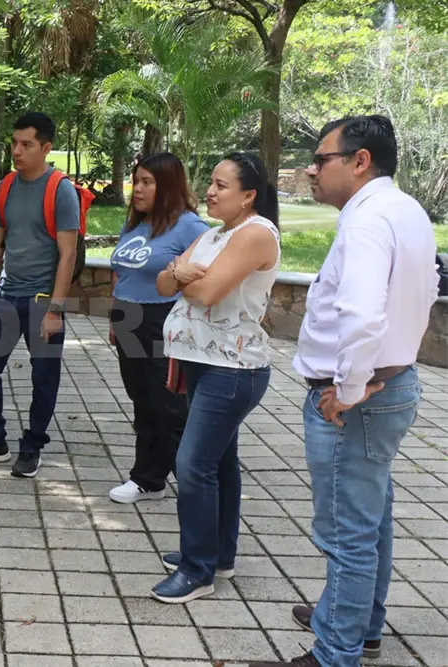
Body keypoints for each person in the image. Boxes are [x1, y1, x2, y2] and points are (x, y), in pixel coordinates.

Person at [248, 118, 438, 667]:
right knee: (371, 515)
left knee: (348, 534)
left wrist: (347, 388)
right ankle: (358, 621)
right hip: (393, 382)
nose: (310, 168)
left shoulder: (367, 222)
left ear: (360, 162)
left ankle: (336, 653)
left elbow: (360, 315)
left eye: (321, 158)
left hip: (354, 399)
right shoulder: (404, 210)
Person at [152, 152, 280, 603]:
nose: (209, 191)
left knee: (192, 464)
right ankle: (219, 555)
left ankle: (197, 570)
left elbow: (206, 292)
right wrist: (176, 272)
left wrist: (180, 274)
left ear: (248, 196)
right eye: (210, 182)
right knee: (219, 462)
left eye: (221, 185)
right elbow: (162, 285)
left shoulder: (256, 234)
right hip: (203, 364)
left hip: (234, 370)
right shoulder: (212, 235)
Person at [0, 112, 80, 478]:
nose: (17, 151)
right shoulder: (6, 186)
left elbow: (68, 254)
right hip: (6, 296)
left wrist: (56, 308)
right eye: (14, 143)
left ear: (46, 148)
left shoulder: (61, 190)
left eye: (26, 145)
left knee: (44, 377)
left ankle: (33, 445)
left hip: (43, 301)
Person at [107, 153, 209, 504]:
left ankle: (196, 486)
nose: (138, 188)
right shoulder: (136, 223)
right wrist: (114, 315)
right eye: (136, 181)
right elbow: (122, 271)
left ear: (168, 186)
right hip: (127, 320)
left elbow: (205, 280)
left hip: (161, 323)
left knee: (169, 407)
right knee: (142, 403)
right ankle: (149, 479)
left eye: (147, 182)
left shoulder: (190, 227)